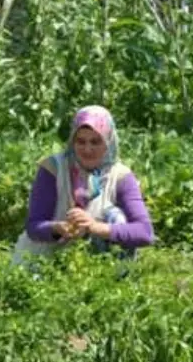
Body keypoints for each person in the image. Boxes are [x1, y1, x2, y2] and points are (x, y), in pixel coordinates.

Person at [12, 106, 154, 264]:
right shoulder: (53, 169)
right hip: (46, 259)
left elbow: (145, 232)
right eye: (81, 141)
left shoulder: (120, 176)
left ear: (108, 142)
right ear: (72, 141)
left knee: (116, 216)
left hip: (95, 263)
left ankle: (112, 278)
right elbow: (33, 227)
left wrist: (94, 227)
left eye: (95, 142)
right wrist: (58, 228)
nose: (88, 149)